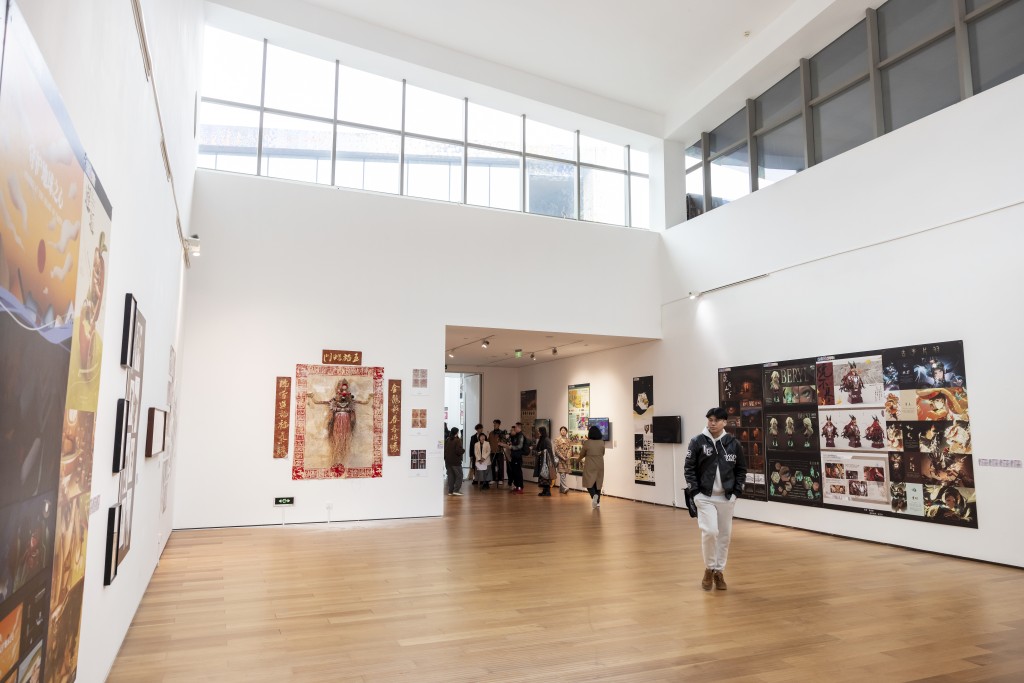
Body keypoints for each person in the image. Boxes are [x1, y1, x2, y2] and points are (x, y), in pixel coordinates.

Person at [684, 407, 746, 591]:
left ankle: (719, 572)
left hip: (726, 498)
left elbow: (741, 470)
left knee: (724, 536)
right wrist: (695, 493)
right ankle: (709, 569)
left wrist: (735, 493)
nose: (712, 423)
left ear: (724, 422)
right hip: (704, 496)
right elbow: (689, 468)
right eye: (710, 420)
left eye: (716, 420)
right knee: (710, 532)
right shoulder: (697, 442)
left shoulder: (733, 443)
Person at [308, 380, 370, 465]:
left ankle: (342, 453)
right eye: (342, 389)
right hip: (337, 421)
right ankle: (335, 454)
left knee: (345, 439)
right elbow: (318, 402)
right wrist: (312, 398)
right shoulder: (334, 400)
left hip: (346, 422)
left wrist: (369, 398)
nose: (343, 393)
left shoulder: (350, 400)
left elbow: (364, 402)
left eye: (345, 389)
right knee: (337, 438)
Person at [579, 425, 606, 508]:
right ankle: (597, 503)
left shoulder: (587, 443)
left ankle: (594, 495)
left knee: (588, 482)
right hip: (600, 465)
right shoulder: (602, 442)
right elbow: (603, 453)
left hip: (590, 465)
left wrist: (578, 460)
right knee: (598, 483)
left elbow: (582, 454)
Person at [532, 426, 555, 496]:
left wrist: (541, 452)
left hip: (546, 461)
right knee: (542, 475)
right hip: (542, 460)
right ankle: (544, 490)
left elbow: (549, 450)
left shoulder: (546, 440)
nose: (538, 433)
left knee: (546, 476)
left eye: (539, 431)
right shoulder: (541, 439)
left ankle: (547, 491)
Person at [443, 427, 465, 496]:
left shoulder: (447, 439)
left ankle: (450, 491)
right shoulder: (457, 440)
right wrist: (463, 450)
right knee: (460, 476)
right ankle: (456, 490)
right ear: (456, 433)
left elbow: (445, 450)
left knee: (451, 476)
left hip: (448, 461)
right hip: (456, 462)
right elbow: (458, 451)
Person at [507, 423, 527, 493]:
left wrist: (511, 447)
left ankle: (520, 488)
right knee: (514, 472)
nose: (514, 428)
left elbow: (520, 446)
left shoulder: (521, 436)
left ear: (519, 428)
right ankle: (516, 486)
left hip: (518, 457)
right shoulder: (516, 436)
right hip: (514, 456)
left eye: (515, 427)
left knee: (518, 473)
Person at [553, 426, 572, 494]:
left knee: (564, 473)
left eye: (564, 430)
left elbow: (570, 449)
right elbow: (556, 450)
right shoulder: (557, 440)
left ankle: (561, 489)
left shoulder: (568, 440)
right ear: (560, 431)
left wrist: (567, 456)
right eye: (562, 430)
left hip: (566, 459)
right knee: (562, 473)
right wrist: (562, 457)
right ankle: (564, 488)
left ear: (566, 432)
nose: (563, 431)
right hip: (560, 459)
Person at [488, 420, 507, 486]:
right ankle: (493, 479)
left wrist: (502, 442)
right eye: (494, 424)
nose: (494, 425)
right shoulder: (491, 433)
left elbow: (504, 442)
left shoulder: (502, 433)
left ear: (499, 425)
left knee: (500, 466)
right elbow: (488, 442)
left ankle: (500, 479)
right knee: (492, 466)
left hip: (499, 452)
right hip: (492, 452)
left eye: (496, 424)